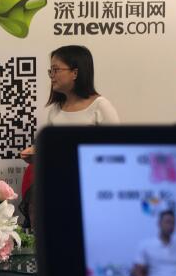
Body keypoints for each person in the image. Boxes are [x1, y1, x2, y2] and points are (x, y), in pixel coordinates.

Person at [19, 45, 120, 227]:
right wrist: (37, 155)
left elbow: (118, 151)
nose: (52, 76)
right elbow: (52, 153)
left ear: (75, 73)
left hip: (94, 192)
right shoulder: (54, 111)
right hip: (60, 191)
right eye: (50, 71)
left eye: (56, 70)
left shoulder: (100, 106)